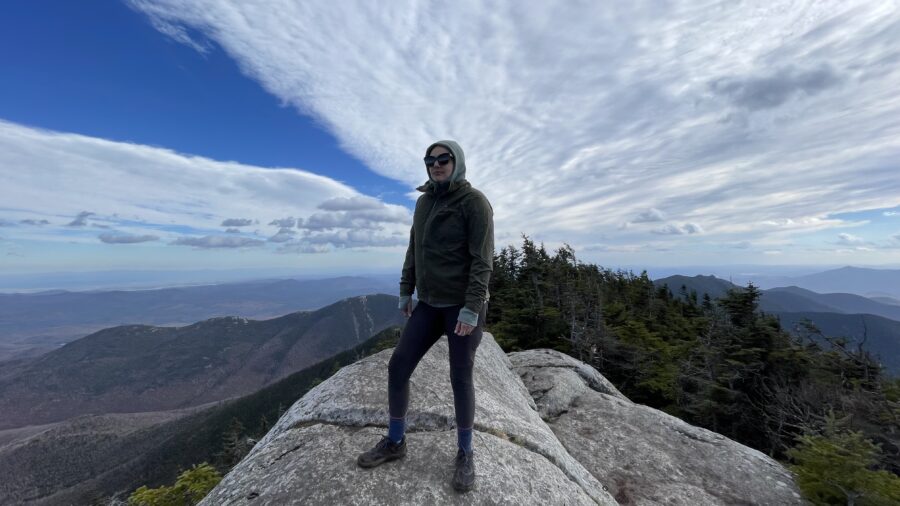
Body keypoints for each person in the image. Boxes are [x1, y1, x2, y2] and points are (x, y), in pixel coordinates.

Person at [356, 140, 494, 493]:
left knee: (460, 377)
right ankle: (396, 441)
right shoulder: (423, 202)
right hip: (429, 304)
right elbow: (414, 246)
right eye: (430, 160)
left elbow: (482, 261)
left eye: (443, 159)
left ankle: (465, 452)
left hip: (461, 307)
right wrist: (406, 288)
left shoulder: (474, 203)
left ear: (456, 162)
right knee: (398, 366)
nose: (436, 164)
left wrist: (472, 308)